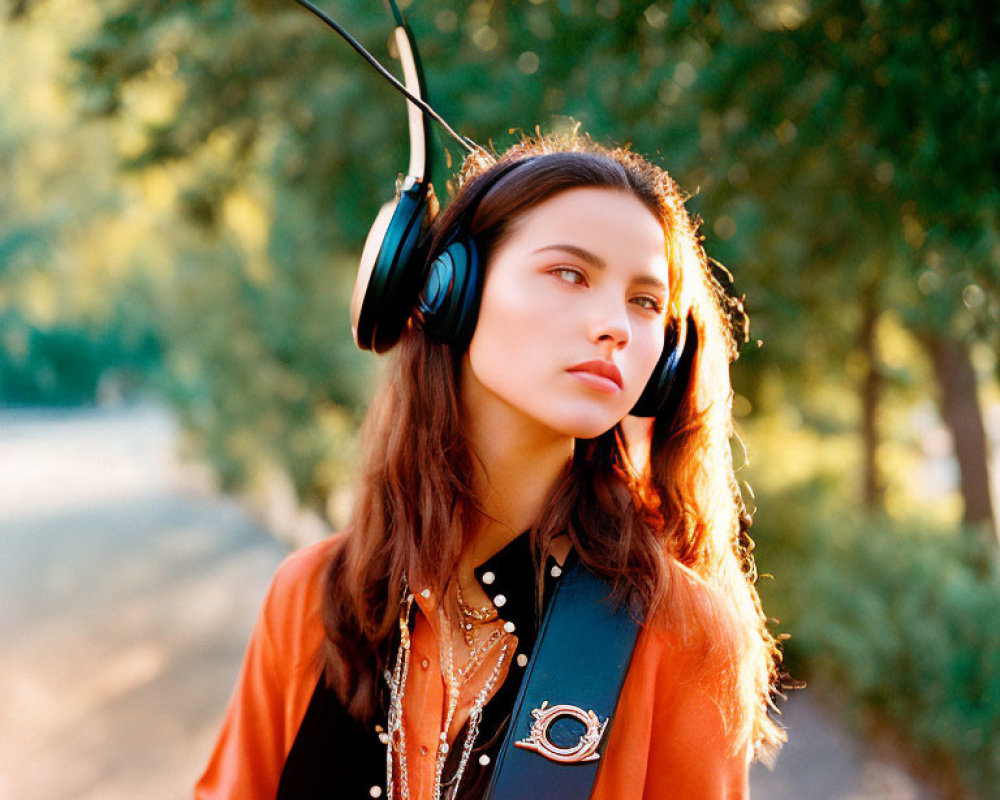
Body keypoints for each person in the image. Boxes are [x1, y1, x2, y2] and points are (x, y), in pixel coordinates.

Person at [195, 133, 786, 800]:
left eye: (646, 301)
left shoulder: (678, 628)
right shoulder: (310, 598)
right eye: (570, 273)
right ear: (453, 291)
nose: (616, 324)